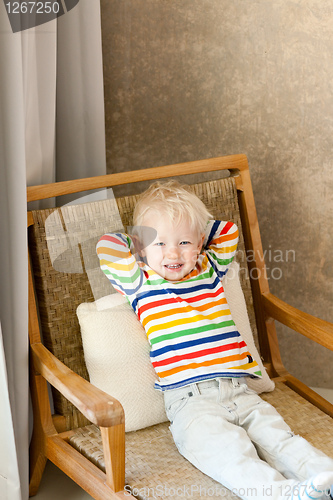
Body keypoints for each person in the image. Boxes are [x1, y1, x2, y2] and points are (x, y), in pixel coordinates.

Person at [96, 180, 333, 500]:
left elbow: (228, 231)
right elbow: (107, 245)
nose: (173, 252)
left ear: (199, 244)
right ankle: (285, 495)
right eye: (160, 243)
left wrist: (195, 234)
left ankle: (324, 477)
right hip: (191, 403)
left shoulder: (207, 268)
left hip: (240, 391)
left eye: (183, 242)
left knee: (281, 440)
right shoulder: (140, 280)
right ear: (140, 248)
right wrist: (139, 243)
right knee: (229, 454)